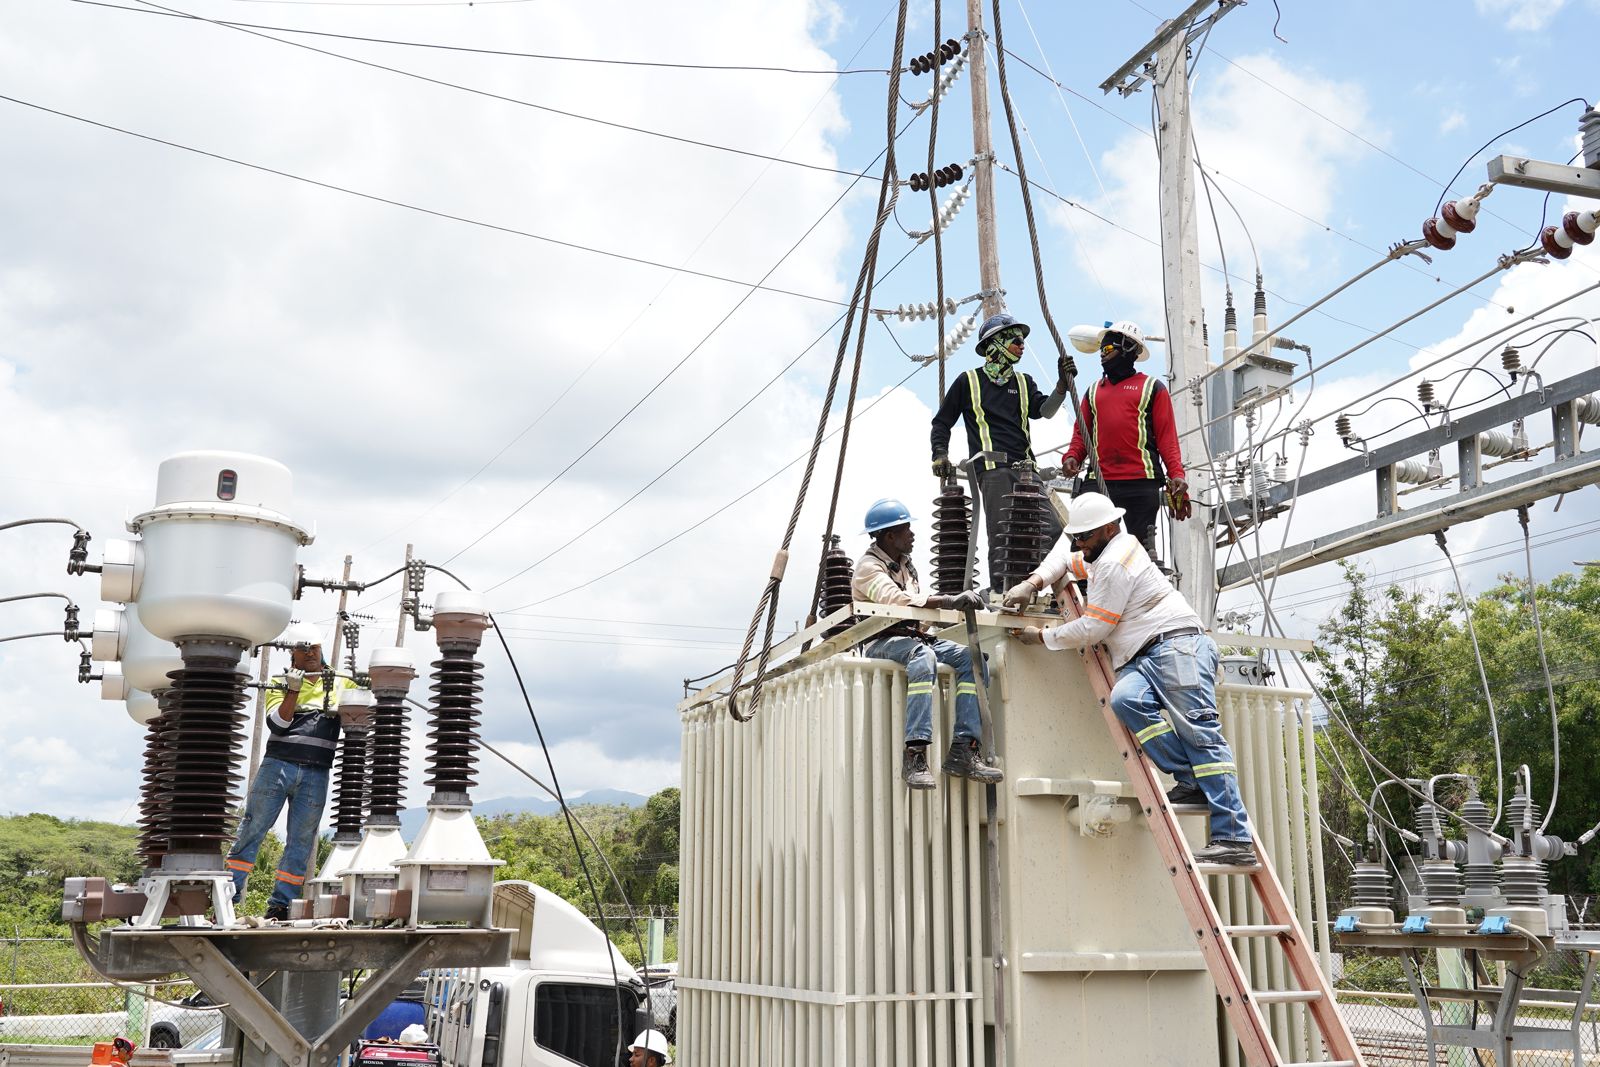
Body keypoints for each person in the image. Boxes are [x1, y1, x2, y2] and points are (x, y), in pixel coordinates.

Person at [1001, 492, 1255, 867]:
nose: (1078, 545)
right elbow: (1065, 560)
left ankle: (1234, 840)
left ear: (1107, 528)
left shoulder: (1115, 563)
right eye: (1076, 538)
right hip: (1145, 654)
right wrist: (1034, 583)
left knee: (1200, 735)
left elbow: (1095, 627)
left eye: (1084, 537)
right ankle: (1191, 779)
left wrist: (1041, 636)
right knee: (1127, 701)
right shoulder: (1105, 550)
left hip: (1176, 647)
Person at [853, 498, 1004, 790]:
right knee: (922, 657)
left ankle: (964, 747)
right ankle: (915, 754)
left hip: (913, 637)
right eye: (906, 529)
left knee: (973, 659)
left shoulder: (905, 566)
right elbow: (896, 601)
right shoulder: (868, 568)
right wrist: (948, 600)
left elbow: (919, 614)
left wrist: (952, 611)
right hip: (882, 641)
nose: (912, 535)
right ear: (889, 536)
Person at [930, 312, 1074, 587]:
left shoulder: (1023, 382)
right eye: (1016, 340)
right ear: (996, 342)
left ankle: (1051, 590)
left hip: (1027, 472)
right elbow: (942, 423)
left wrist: (1061, 387)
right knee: (1002, 535)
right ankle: (1002, 593)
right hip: (993, 471)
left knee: (1052, 532)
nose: (1022, 346)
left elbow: (1043, 411)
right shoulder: (968, 381)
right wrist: (940, 454)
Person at [226, 622, 358, 919]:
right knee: (253, 829)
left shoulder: (341, 682)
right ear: (292, 654)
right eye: (303, 648)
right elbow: (278, 723)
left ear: (321, 649)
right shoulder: (279, 681)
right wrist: (293, 691)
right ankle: (226, 899)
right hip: (278, 767)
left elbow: (363, 707)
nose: (310, 653)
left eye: (314, 648)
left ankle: (281, 906)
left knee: (301, 839)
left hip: (316, 772)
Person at [1061, 321, 1188, 552]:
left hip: (1141, 483)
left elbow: (1166, 439)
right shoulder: (1093, 391)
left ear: (1130, 350)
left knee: (1138, 553)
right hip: (1099, 481)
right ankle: (1087, 588)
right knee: (1085, 547)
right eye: (1101, 350)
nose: (1102, 355)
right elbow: (1081, 435)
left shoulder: (1153, 387)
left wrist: (1176, 474)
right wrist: (1072, 457)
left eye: (1108, 350)